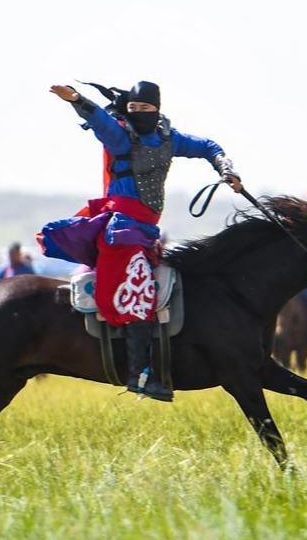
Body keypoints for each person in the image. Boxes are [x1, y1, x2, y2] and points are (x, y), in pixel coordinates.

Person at [41, 81, 241, 401]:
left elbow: (206, 146)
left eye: (145, 109)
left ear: (157, 109)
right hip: (122, 232)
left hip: (147, 232)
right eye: (133, 109)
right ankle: (140, 375)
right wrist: (77, 100)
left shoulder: (168, 139)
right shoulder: (121, 137)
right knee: (140, 295)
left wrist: (225, 167)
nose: (138, 114)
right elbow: (100, 121)